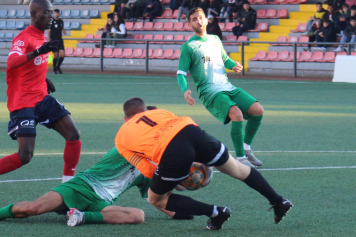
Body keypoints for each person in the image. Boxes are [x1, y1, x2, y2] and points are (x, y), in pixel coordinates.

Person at [0, 0, 82, 207]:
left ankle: (68, 189)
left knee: (73, 135)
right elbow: (11, 63)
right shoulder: (23, 38)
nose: (49, 17)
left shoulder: (42, 36)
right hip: (23, 102)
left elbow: (32, 66)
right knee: (25, 156)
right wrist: (38, 51)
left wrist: (43, 78)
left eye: (50, 13)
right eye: (45, 13)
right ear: (34, 15)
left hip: (42, 97)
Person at [115, 97, 292, 230]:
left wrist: (169, 181)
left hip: (171, 148)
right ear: (146, 109)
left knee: (157, 199)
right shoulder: (157, 112)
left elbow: (144, 167)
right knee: (238, 169)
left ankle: (216, 212)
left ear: (125, 118)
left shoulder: (121, 137)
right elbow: (178, 133)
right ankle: (278, 201)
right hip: (192, 130)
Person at [0, 143, 186, 226]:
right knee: (32, 209)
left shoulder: (151, 172)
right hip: (81, 187)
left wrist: (181, 210)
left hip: (100, 203)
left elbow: (156, 200)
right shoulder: (125, 147)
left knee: (137, 216)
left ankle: (80, 216)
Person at [178, 7, 263, 167]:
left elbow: (224, 59)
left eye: (200, 17)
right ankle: (240, 159)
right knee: (236, 114)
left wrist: (234, 66)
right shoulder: (188, 47)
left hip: (227, 87)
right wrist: (185, 90)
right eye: (194, 19)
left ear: (206, 19)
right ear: (189, 24)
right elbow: (181, 73)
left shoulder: (215, 39)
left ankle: (246, 149)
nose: (199, 21)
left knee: (258, 110)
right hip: (210, 92)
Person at [47, 9, 67, 74]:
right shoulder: (51, 21)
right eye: (55, 13)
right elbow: (48, 31)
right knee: (55, 55)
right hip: (53, 40)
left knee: (62, 55)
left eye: (57, 13)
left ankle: (58, 66)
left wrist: (64, 31)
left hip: (60, 40)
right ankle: (54, 69)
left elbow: (62, 27)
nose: (56, 14)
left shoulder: (61, 21)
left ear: (59, 14)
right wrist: (48, 40)